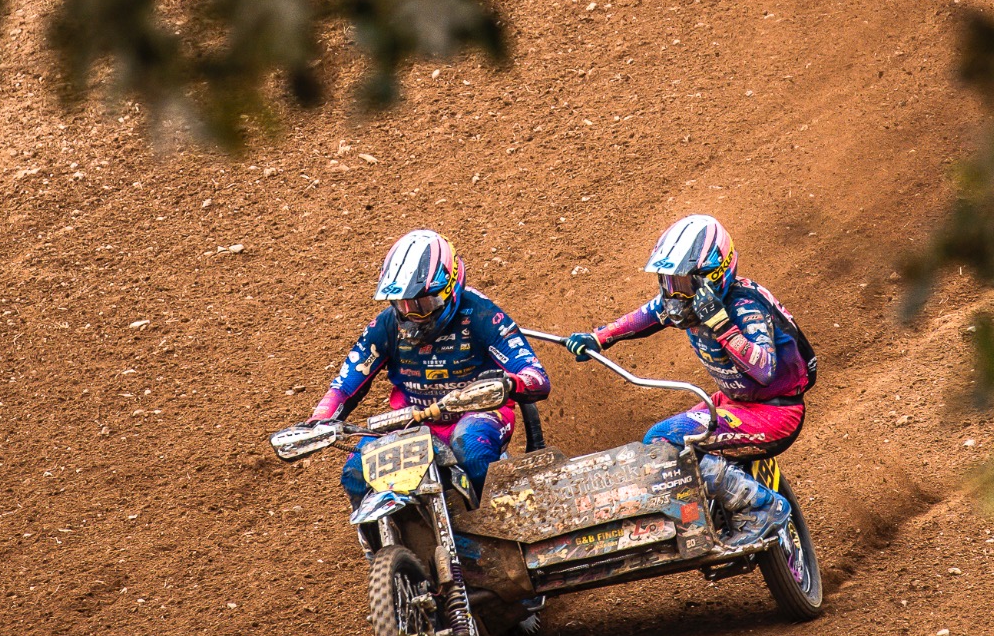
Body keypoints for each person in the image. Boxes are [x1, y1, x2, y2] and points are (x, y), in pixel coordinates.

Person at [564, 215, 814, 551]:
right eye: (668, 282)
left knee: (666, 439)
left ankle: (762, 507)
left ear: (713, 276)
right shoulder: (688, 303)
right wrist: (598, 338)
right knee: (657, 449)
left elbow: (764, 369)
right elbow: (646, 315)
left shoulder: (743, 306)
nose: (674, 294)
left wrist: (722, 326)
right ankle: (696, 516)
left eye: (682, 283)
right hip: (734, 402)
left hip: (774, 411)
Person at [309, 229, 549, 502]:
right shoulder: (386, 325)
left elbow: (536, 376)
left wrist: (511, 382)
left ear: (449, 290)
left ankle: (500, 517)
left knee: (470, 448)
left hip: (478, 414)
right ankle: (381, 530)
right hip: (412, 422)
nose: (413, 315)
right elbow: (344, 387)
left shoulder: (482, 314)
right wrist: (318, 421)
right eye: (403, 305)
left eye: (423, 303)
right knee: (356, 472)